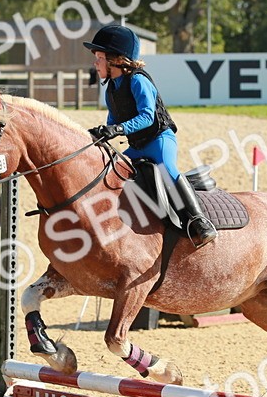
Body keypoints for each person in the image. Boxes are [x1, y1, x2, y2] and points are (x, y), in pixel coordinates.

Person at [85, 24, 217, 248]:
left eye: (99, 57)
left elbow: (147, 117)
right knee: (112, 170)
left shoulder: (138, 80)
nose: (95, 63)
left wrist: (119, 130)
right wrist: (103, 132)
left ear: (116, 59)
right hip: (136, 147)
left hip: (159, 141)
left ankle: (199, 220)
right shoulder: (110, 88)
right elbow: (113, 119)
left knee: (168, 169)